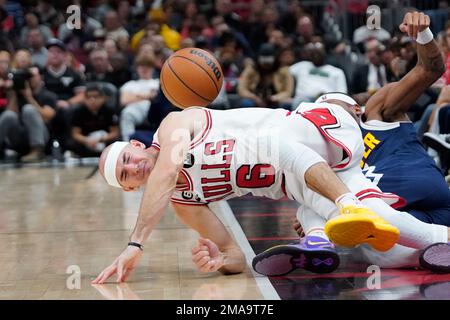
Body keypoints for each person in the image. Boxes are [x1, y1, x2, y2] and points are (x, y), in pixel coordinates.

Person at [91, 12, 450, 284]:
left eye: (127, 159)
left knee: (273, 145)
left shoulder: (173, 125)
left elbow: (167, 171)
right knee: (384, 243)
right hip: (309, 178)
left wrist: (135, 243)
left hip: (313, 130)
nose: (134, 169)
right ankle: (333, 237)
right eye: (126, 177)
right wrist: (218, 259)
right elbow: (235, 257)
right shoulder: (184, 203)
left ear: (137, 145)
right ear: (131, 189)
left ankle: (340, 213)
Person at [254, 11, 450, 276]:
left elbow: (430, 69)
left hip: (431, 200)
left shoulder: (377, 112)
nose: (322, 119)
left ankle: (320, 237)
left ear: (355, 109)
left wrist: (424, 35)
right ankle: (317, 242)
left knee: (333, 208)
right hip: (395, 227)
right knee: (311, 202)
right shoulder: (326, 158)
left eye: (329, 109)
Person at [67, 83, 119, 158]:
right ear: (84, 99)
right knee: (71, 144)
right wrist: (87, 140)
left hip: (104, 140)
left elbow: (114, 133)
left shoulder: (109, 111)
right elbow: (75, 134)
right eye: (88, 97)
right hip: (86, 140)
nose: (92, 100)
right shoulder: (78, 111)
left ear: (103, 98)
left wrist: (101, 139)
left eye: (96, 97)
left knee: (115, 143)